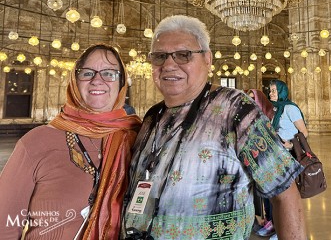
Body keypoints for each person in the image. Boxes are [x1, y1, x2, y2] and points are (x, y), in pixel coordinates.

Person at [121, 15, 307, 240]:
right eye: (160, 57)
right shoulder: (152, 117)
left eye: (183, 55)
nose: (169, 65)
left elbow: (285, 193)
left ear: (207, 59)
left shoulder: (236, 109)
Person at [0, 44, 142, 239]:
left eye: (109, 73)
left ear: (121, 84)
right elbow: (4, 226)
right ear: (74, 81)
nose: (97, 80)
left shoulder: (138, 140)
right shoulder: (36, 143)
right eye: (87, 73)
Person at [257, 79, 309, 239]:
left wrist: (290, 145)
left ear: (282, 91)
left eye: (274, 90)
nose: (270, 93)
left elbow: (304, 133)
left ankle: (281, 229)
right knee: (272, 192)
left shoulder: (289, 108)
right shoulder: (274, 109)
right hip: (275, 155)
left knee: (283, 194)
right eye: (270, 90)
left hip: (287, 155)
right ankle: (272, 223)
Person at [246, 89, 275, 233]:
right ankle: (259, 218)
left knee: (269, 194)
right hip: (250, 160)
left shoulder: (269, 114)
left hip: (267, 160)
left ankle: (271, 223)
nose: (250, 101)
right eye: (248, 98)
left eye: (253, 98)